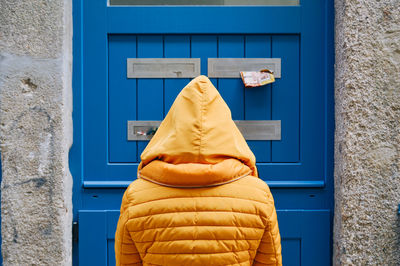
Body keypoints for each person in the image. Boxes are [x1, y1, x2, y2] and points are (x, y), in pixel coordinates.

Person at [115, 76, 282, 266]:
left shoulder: (136, 196)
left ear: (171, 126)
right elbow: (270, 261)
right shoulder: (258, 195)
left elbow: (126, 261)